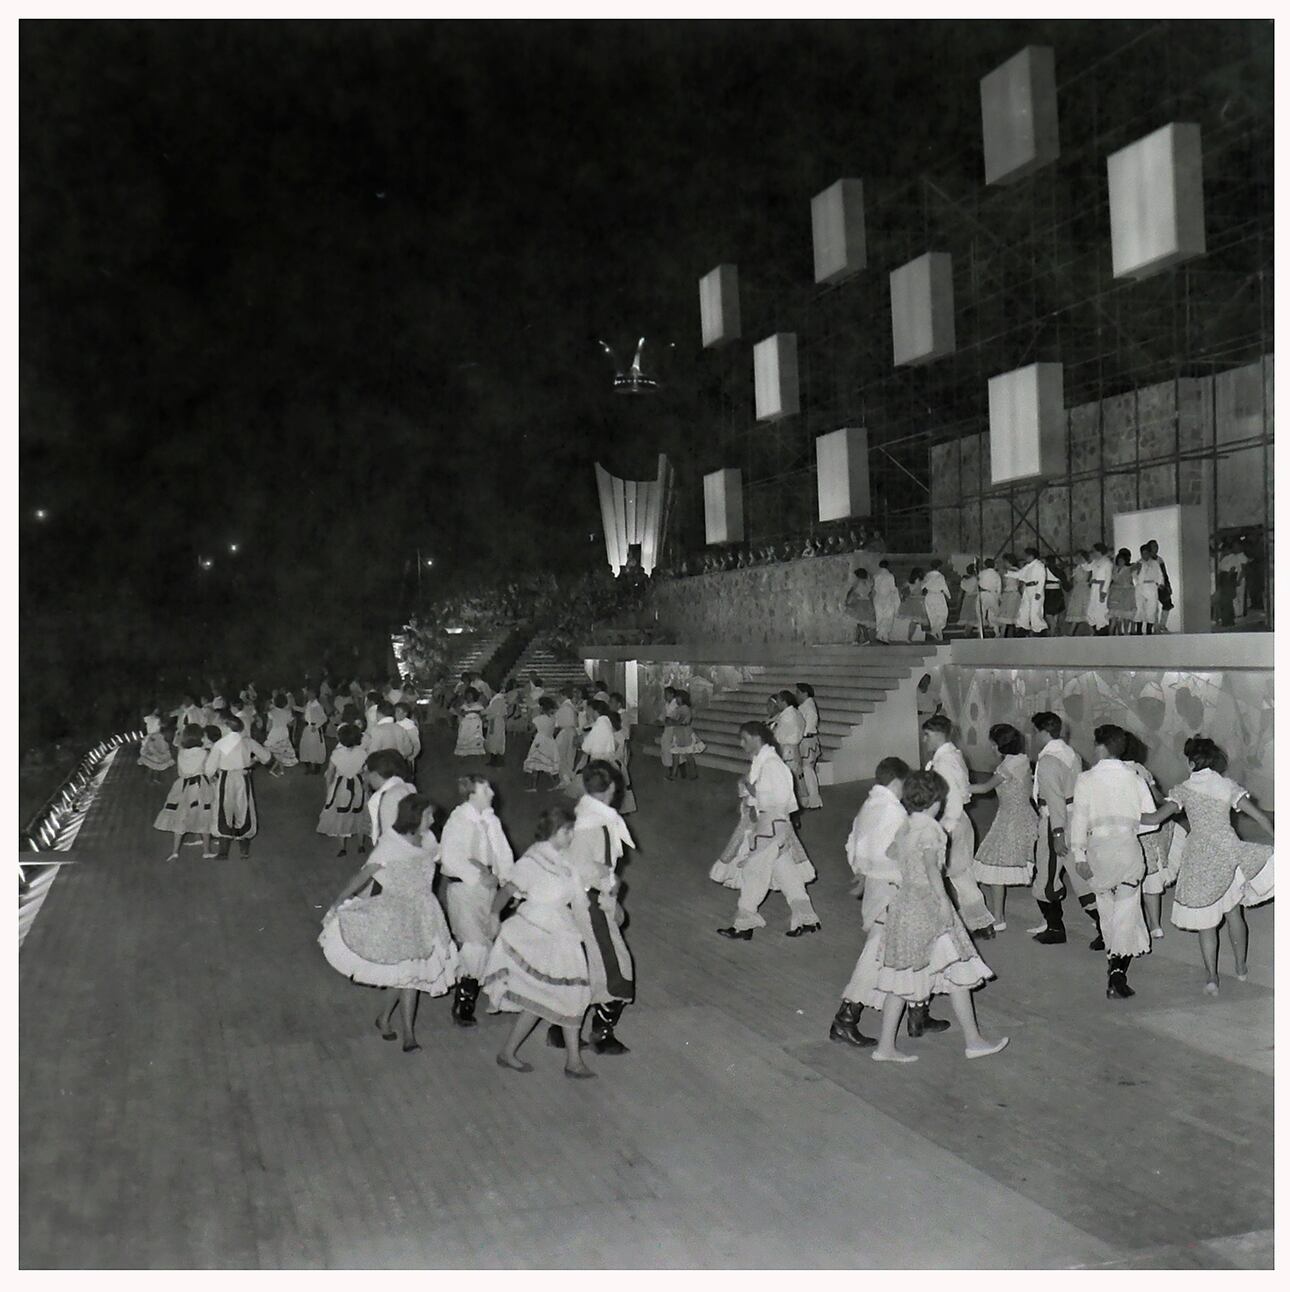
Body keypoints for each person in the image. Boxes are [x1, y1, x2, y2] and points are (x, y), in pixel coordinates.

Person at [869, 770, 1009, 1063]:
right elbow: (933, 869)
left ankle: (885, 1046)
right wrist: (944, 903)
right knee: (957, 967)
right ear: (935, 802)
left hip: (904, 905)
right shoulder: (932, 830)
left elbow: (892, 853)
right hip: (929, 906)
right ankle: (973, 1041)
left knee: (904, 975)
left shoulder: (905, 826)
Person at [318, 794, 458, 1054]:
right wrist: (339, 901)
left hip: (424, 913)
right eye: (428, 815)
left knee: (406, 975)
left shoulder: (428, 839)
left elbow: (441, 861)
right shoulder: (390, 844)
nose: (432, 819)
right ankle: (409, 1035)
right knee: (408, 976)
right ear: (414, 817)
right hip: (396, 913)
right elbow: (364, 874)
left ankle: (384, 1019)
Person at [830, 757, 951, 1047]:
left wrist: (862, 871)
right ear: (898, 782)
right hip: (895, 891)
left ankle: (917, 1013)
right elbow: (905, 857)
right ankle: (845, 1019)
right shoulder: (896, 813)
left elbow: (852, 844)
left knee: (920, 948)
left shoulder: (869, 806)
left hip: (876, 887)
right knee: (878, 956)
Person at [1143, 736, 1274, 994]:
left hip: (1199, 859)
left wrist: (1123, 814)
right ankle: (1240, 968)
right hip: (1228, 852)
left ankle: (1212, 977)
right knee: (1234, 913)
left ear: (1191, 763)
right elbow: (1260, 817)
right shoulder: (1226, 785)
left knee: (1207, 921)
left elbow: (1155, 817)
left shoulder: (1183, 789)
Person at [484, 806, 597, 1077]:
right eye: (569, 831)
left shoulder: (566, 862)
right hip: (534, 932)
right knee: (559, 994)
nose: (572, 836)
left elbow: (581, 899)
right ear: (558, 832)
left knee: (551, 995)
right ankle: (572, 1062)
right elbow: (507, 890)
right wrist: (493, 916)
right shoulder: (533, 859)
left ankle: (518, 1054)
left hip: (562, 932)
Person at [546, 762, 636, 1055]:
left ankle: (559, 1029)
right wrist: (612, 899)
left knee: (582, 964)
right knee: (617, 970)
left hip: (574, 900)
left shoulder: (581, 815)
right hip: (591, 901)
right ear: (612, 787)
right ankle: (602, 1032)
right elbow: (594, 870)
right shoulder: (598, 822)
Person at [1068, 725, 1156, 999]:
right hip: (1128, 851)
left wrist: (1078, 855)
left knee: (1106, 913)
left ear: (1101, 746)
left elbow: (1079, 819)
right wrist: (1127, 829)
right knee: (1127, 914)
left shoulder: (1086, 779)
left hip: (1098, 853)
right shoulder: (1135, 778)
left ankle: (1113, 967)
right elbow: (1149, 821)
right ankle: (1117, 973)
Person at [711, 722, 821, 939]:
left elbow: (780, 801)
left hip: (771, 825)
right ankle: (807, 918)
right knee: (786, 873)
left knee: (754, 871)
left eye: (744, 739)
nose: (741, 744)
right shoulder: (762, 762)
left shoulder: (772, 765)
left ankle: (744, 923)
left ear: (756, 737)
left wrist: (751, 790)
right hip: (767, 825)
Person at [439, 775, 515, 1027]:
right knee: (475, 942)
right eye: (485, 789)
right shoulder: (458, 821)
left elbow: (503, 854)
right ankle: (464, 999)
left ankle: (472, 985)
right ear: (471, 795)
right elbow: (450, 858)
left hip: (490, 889)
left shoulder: (491, 820)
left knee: (485, 938)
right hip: (465, 890)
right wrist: (480, 877)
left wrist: (507, 883)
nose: (492, 792)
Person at [1028, 711, 1101, 947]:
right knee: (1082, 877)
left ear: (1042, 732)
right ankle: (1105, 927)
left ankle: (1055, 928)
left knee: (1045, 880)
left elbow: (1054, 800)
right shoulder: (1071, 753)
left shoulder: (1048, 760)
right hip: (1075, 818)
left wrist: (1056, 833)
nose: (1034, 736)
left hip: (1055, 821)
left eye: (1035, 732)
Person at [920, 715, 995, 938]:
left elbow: (952, 799)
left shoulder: (943, 763)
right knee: (961, 874)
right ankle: (980, 923)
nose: (924, 740)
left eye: (926, 735)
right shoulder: (954, 755)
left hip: (951, 822)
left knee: (947, 873)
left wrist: (945, 831)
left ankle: (970, 924)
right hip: (959, 821)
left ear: (936, 734)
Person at [968, 723, 1038, 930]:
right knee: (1032, 866)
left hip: (1011, 820)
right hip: (1024, 816)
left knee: (993, 866)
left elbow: (984, 787)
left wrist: (954, 785)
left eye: (992, 744)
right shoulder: (1021, 759)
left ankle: (999, 918)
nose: (991, 747)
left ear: (1000, 745)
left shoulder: (1007, 766)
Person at [205, 715, 271, 858]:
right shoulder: (247, 742)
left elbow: (209, 768)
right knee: (244, 809)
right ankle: (244, 851)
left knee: (224, 810)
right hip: (243, 777)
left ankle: (223, 852)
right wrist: (252, 762)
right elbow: (266, 756)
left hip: (226, 778)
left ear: (228, 728)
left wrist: (210, 778)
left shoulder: (220, 744)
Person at [153, 724, 214, 860]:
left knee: (182, 814)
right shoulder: (204, 752)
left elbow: (180, 772)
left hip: (182, 785)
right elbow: (209, 771)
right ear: (200, 737)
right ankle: (206, 851)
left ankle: (175, 851)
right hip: (200, 785)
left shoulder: (181, 752)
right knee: (204, 815)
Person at [316, 723, 369, 857]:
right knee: (359, 813)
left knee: (341, 815)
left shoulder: (336, 754)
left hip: (341, 786)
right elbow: (365, 772)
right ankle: (361, 845)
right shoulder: (363, 753)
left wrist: (329, 791)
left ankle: (342, 847)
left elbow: (330, 774)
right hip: (358, 784)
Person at [768, 691, 805, 822]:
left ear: (784, 701)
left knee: (786, 784)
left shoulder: (787, 717)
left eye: (778, 700)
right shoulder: (795, 713)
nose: (777, 703)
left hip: (787, 751)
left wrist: (772, 732)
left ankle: (792, 816)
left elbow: (779, 736)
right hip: (792, 750)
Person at [365, 749, 414, 848]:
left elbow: (377, 831)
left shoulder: (377, 799)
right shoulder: (409, 787)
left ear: (375, 775)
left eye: (367, 773)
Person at [794, 682, 824, 811]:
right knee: (806, 771)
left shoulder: (809, 708)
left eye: (798, 692)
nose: (796, 695)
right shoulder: (806, 706)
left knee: (808, 770)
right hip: (807, 741)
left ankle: (814, 800)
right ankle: (808, 799)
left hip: (807, 741)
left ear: (805, 693)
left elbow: (807, 727)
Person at [523, 695, 561, 790]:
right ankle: (554, 783)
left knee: (535, 763)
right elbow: (556, 730)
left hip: (539, 741)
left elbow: (531, 730)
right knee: (547, 764)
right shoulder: (553, 718)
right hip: (550, 741)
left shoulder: (538, 719)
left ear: (541, 707)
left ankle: (533, 786)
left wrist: (528, 723)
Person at [1007, 547, 1048, 636]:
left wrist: (1038, 592)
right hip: (1027, 589)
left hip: (1035, 589)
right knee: (1024, 609)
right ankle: (1023, 627)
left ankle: (1039, 630)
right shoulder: (1028, 566)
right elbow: (1020, 574)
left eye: (1027, 555)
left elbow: (1042, 579)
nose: (1025, 557)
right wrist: (1007, 573)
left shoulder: (1039, 565)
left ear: (1032, 556)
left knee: (1035, 611)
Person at [667, 688, 703, 780]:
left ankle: (693, 774)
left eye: (677, 698)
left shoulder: (685, 708)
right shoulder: (679, 708)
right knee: (675, 755)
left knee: (687, 755)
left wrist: (671, 721)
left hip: (684, 733)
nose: (676, 700)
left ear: (682, 698)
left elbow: (679, 721)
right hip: (679, 733)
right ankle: (673, 775)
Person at [1131, 544, 1165, 635]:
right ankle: (1139, 630)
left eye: (1146, 553)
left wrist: (1160, 583)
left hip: (1151, 586)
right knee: (1139, 608)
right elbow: (1134, 576)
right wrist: (1137, 572)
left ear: (1149, 553)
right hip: (1140, 587)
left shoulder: (1154, 563)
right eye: (1143, 553)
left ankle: (1149, 630)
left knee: (1151, 608)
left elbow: (1160, 575)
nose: (1144, 555)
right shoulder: (1138, 563)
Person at [264, 692, 300, 775]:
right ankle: (279, 769)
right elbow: (290, 724)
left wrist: (267, 732)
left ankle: (276, 768)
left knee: (275, 750)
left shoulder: (272, 712)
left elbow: (269, 725)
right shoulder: (287, 712)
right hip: (284, 732)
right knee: (281, 750)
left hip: (274, 732)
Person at [138, 706, 175, 783]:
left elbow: (145, 724)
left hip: (149, 738)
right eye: (157, 709)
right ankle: (153, 777)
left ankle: (151, 778)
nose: (158, 710)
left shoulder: (147, 718)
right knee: (157, 758)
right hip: (156, 738)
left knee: (153, 759)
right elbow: (164, 725)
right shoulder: (157, 719)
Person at [1083, 544, 1114, 635]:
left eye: (1094, 551)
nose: (1093, 553)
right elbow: (1087, 568)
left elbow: (1108, 578)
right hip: (1094, 588)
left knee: (1101, 611)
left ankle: (1103, 633)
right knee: (1091, 611)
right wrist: (1086, 559)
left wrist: (1104, 592)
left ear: (1099, 551)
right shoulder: (1095, 561)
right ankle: (1096, 631)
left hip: (1101, 588)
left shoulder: (1107, 562)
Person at [1107, 549, 1136, 634]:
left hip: (1126, 593)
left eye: (1122, 560)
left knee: (1126, 614)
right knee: (1115, 614)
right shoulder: (1114, 569)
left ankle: (1126, 632)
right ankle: (1118, 632)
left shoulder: (1129, 569)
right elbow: (1112, 580)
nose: (1120, 562)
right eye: (1119, 560)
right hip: (1115, 593)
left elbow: (1132, 580)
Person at [299, 688, 328, 774]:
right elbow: (303, 710)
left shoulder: (317, 706)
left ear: (315, 695)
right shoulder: (309, 703)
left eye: (310, 694)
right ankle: (308, 766)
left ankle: (316, 767)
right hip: (308, 728)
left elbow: (324, 718)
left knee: (315, 748)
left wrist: (316, 726)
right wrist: (292, 706)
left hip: (314, 729)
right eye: (308, 694)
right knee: (305, 746)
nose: (308, 695)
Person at [872, 560, 901, 644]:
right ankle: (883, 635)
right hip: (887, 598)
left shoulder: (875, 576)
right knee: (888, 616)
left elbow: (874, 588)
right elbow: (892, 588)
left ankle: (881, 635)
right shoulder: (890, 576)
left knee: (879, 616)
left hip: (878, 598)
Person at [921, 559, 951, 641]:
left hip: (929, 596)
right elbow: (944, 587)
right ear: (939, 567)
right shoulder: (940, 576)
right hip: (938, 596)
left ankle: (937, 633)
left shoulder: (927, 575)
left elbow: (922, 585)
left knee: (932, 615)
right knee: (942, 614)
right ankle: (936, 632)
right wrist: (948, 596)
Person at [844, 568, 875, 644]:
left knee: (859, 622)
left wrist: (848, 600)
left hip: (859, 603)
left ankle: (862, 639)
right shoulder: (869, 582)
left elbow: (852, 592)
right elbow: (871, 593)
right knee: (861, 622)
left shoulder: (857, 582)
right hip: (867, 603)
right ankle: (858, 639)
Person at [1063, 553, 1090, 635]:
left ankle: (1071, 633)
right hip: (1077, 590)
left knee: (1085, 611)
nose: (1077, 559)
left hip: (1084, 590)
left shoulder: (1086, 567)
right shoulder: (1077, 567)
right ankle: (1071, 633)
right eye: (1077, 557)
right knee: (1076, 611)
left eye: (1080, 557)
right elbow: (1073, 581)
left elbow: (1084, 578)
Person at [394, 702, 422, 776]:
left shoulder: (409, 726)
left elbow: (416, 744)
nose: (396, 714)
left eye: (398, 712)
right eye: (395, 711)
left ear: (405, 714)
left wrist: (411, 757)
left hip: (407, 757)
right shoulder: (395, 724)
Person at [483, 687, 508, 766]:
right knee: (495, 739)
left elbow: (494, 712)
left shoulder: (497, 699)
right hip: (496, 721)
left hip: (495, 721)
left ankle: (496, 760)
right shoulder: (498, 698)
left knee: (494, 739)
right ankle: (495, 759)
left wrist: (485, 717)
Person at [977, 559, 1002, 637]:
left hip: (982, 594)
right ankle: (997, 632)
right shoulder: (996, 574)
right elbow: (999, 587)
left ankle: (981, 633)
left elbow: (978, 581)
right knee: (994, 614)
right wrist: (998, 597)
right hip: (992, 594)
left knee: (980, 614)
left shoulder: (982, 573)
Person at [957, 565, 981, 637]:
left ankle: (968, 632)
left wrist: (958, 602)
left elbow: (961, 592)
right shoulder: (977, 579)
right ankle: (968, 632)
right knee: (973, 616)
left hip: (967, 598)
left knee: (969, 616)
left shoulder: (964, 580)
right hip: (974, 598)